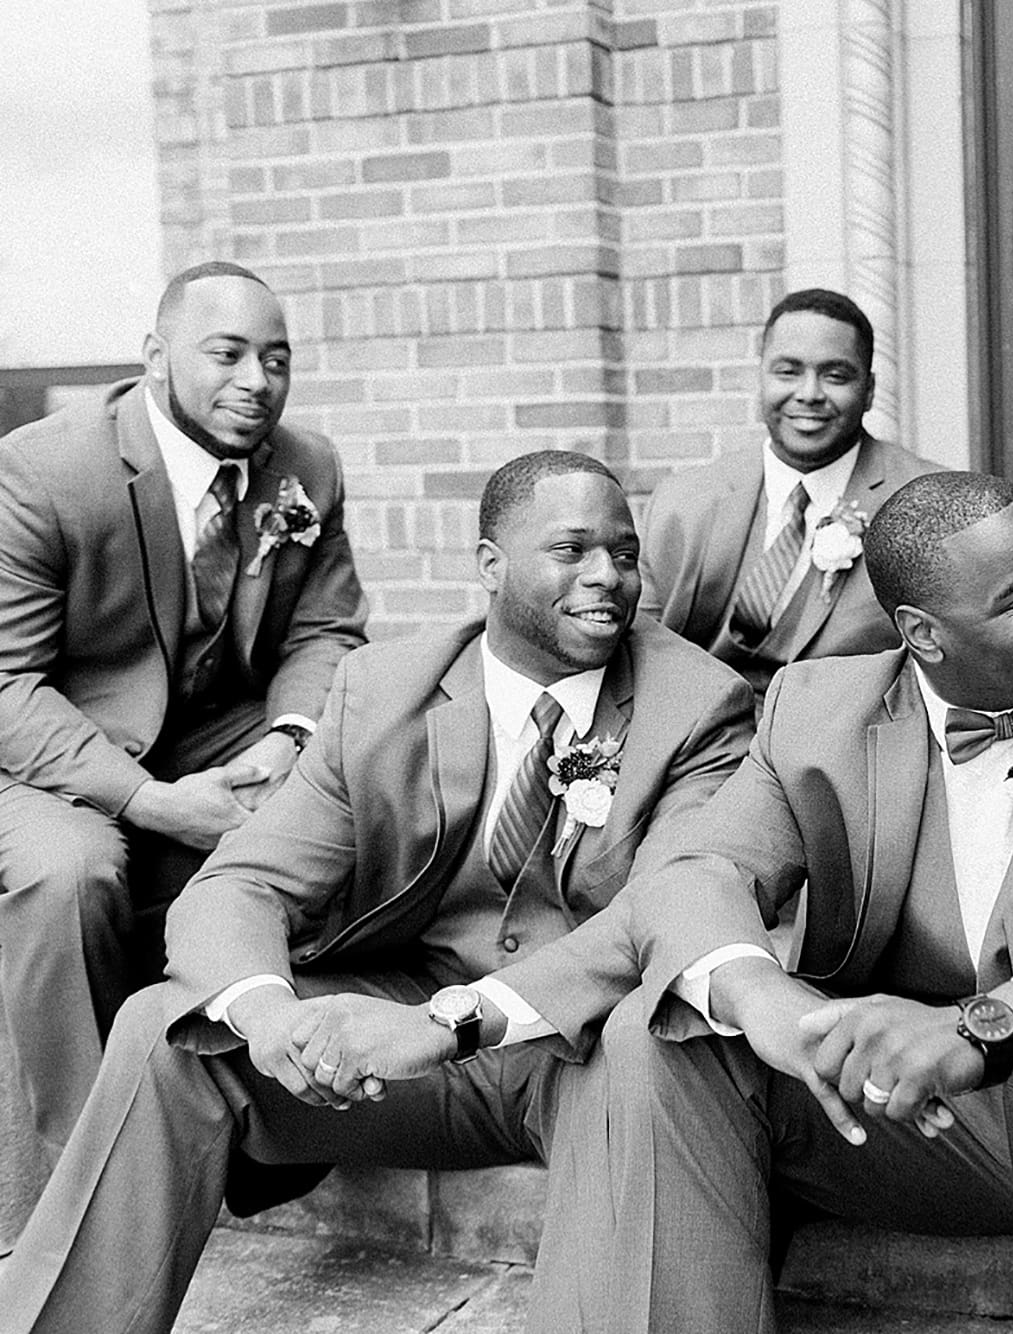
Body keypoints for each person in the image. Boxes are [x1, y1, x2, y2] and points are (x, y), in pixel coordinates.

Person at [432, 471, 1013, 1333]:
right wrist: (768, 1001)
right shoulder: (817, 710)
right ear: (922, 633)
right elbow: (695, 877)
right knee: (665, 1034)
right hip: (899, 1124)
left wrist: (979, 1029)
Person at [0, 451, 754, 1334]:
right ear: (488, 565)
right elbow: (242, 882)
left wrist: (447, 1023)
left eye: (624, 554)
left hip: (587, 1050)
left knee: (648, 1052)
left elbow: (656, 919)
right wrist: (271, 1016)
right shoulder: (383, 690)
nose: (607, 578)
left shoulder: (701, 707)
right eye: (572, 550)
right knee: (168, 1032)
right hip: (413, 1046)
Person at [0, 261, 366, 1232]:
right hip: (53, 752)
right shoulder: (46, 468)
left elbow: (324, 633)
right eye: (229, 353)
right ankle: (89, 1187)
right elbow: (5, 683)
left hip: (220, 732)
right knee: (70, 874)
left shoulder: (309, 468)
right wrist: (152, 801)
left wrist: (291, 741)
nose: (257, 379)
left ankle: (271, 1122)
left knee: (343, 799)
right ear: (156, 357)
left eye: (276, 358)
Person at [640, 287, 944, 702]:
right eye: (788, 372)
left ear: (869, 391)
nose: (809, 393)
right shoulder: (682, 502)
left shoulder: (926, 503)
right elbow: (639, 655)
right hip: (703, 745)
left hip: (854, 745)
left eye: (835, 375)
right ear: (760, 378)